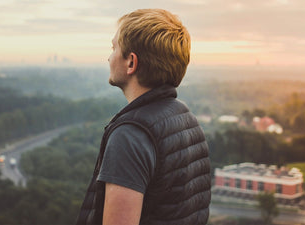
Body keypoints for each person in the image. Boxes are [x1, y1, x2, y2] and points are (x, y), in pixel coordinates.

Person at [76, 8, 211, 225]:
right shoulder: (187, 120)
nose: (109, 57)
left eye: (114, 48)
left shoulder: (130, 136)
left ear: (131, 62)